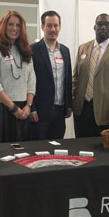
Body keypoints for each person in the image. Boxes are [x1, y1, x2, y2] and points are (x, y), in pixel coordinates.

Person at [72, 13, 109, 137]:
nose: (103, 27)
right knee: (80, 148)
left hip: (107, 113)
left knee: (104, 152)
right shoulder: (83, 48)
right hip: (81, 110)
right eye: (100, 24)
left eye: (107, 24)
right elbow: (75, 78)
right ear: (95, 27)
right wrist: (72, 101)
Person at [0, 10, 35, 143]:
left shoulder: (25, 51)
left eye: (18, 25)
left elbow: (31, 81)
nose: (14, 28)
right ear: (3, 26)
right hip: (0, 109)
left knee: (21, 154)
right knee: (1, 154)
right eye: (11, 24)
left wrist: (28, 105)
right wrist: (13, 108)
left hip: (23, 110)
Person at [30, 10, 72, 140]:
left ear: (60, 27)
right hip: (40, 111)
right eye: (49, 25)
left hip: (60, 111)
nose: (53, 29)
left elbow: (68, 79)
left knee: (57, 147)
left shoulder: (65, 51)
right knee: (38, 149)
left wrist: (69, 104)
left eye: (55, 25)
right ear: (42, 27)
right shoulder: (33, 50)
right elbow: (28, 81)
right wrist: (32, 107)